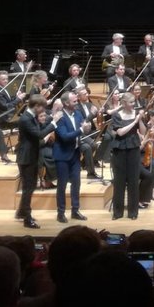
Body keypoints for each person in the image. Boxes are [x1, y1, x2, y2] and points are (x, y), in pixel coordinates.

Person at [16, 94, 55, 228]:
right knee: (28, 188)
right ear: (36, 106)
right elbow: (39, 135)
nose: (43, 110)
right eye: (42, 107)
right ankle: (27, 219)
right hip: (26, 157)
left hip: (30, 155)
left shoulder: (30, 117)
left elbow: (39, 127)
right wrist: (54, 123)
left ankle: (21, 212)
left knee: (30, 186)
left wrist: (51, 118)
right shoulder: (26, 119)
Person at [53, 92, 89, 223]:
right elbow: (64, 136)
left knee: (76, 183)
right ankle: (61, 212)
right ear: (66, 103)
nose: (77, 102)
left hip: (74, 154)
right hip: (62, 155)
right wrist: (81, 130)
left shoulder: (78, 113)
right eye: (74, 101)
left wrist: (87, 127)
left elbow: (84, 129)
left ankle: (75, 210)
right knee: (62, 185)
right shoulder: (59, 117)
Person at [110, 93, 145, 219]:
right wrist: (134, 121)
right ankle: (117, 212)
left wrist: (140, 120)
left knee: (133, 181)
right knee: (119, 182)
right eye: (131, 103)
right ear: (124, 103)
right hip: (120, 149)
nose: (133, 105)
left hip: (133, 148)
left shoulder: (136, 114)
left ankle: (133, 212)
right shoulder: (117, 115)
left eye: (134, 102)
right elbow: (120, 132)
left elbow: (142, 132)